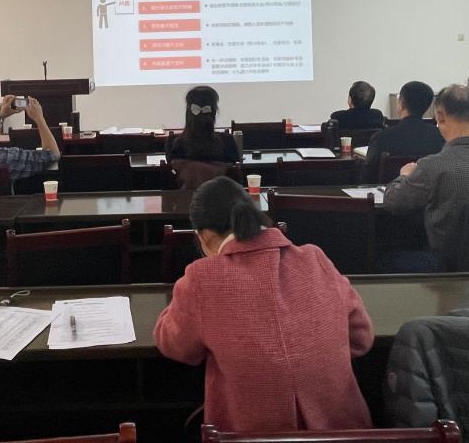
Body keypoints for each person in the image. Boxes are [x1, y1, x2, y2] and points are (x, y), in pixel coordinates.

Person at [153, 177, 374, 432]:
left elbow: (177, 346)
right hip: (344, 432)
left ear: (205, 235)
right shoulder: (316, 258)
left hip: (249, 433)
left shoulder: (202, 277)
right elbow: (361, 338)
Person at [383, 85, 469, 258]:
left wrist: (403, 176)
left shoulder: (432, 166)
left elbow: (393, 202)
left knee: (386, 258)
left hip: (448, 264)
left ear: (439, 116)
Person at [360, 81, 444, 182]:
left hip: (389, 190)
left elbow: (367, 178)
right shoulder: (440, 136)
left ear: (402, 104)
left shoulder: (382, 137)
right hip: (430, 190)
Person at [165, 86, 240, 163]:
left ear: (188, 112)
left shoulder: (173, 143)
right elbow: (235, 167)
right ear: (214, 112)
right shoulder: (227, 141)